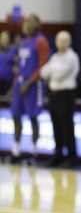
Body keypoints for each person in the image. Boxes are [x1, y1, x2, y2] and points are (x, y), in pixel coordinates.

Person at [9, 14, 50, 163]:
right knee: (16, 115)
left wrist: (29, 83)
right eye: (28, 22)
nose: (31, 25)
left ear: (38, 25)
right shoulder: (24, 42)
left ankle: (33, 152)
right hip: (20, 83)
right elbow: (20, 66)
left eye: (34, 23)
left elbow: (43, 65)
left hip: (34, 84)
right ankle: (16, 151)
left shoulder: (41, 41)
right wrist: (15, 85)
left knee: (33, 117)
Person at [40, 31, 80, 167]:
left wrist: (51, 71)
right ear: (56, 42)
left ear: (69, 42)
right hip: (53, 95)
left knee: (67, 127)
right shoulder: (55, 57)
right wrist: (51, 71)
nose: (62, 43)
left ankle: (72, 157)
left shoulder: (72, 57)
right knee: (56, 126)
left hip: (66, 95)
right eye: (59, 41)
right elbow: (43, 72)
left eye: (65, 41)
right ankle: (58, 155)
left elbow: (58, 74)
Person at [0, 31, 17, 96]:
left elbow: (19, 63)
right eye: (3, 39)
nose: (5, 41)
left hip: (9, 82)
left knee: (7, 102)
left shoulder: (14, 50)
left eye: (6, 39)